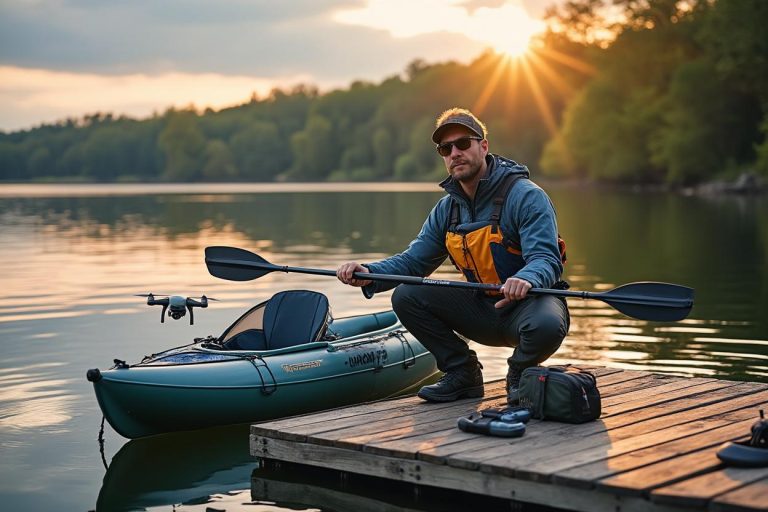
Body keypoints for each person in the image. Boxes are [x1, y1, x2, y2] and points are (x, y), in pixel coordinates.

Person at [337, 108, 569, 404]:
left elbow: (546, 259)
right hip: (481, 310)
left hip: (528, 307)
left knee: (547, 325)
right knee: (407, 295)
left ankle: (519, 374)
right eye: (445, 149)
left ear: (483, 146)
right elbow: (413, 262)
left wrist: (526, 278)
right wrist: (369, 272)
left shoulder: (526, 196)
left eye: (462, 144)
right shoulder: (446, 209)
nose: (454, 153)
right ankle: (463, 373)